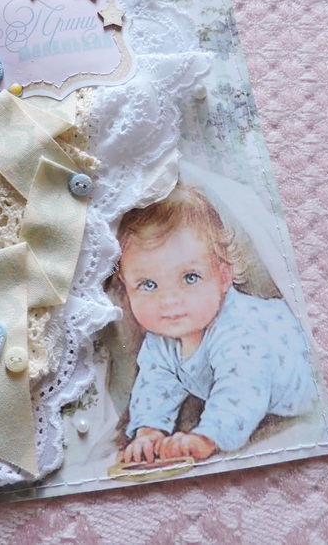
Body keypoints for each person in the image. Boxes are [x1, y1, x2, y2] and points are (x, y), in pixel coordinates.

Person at [116, 183, 317, 464]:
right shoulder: (160, 341)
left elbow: (241, 388)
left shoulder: (238, 330)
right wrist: (148, 433)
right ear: (126, 287)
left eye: (190, 278)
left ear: (223, 276)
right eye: (148, 284)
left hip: (312, 371)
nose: (169, 301)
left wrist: (207, 436)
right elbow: (154, 387)